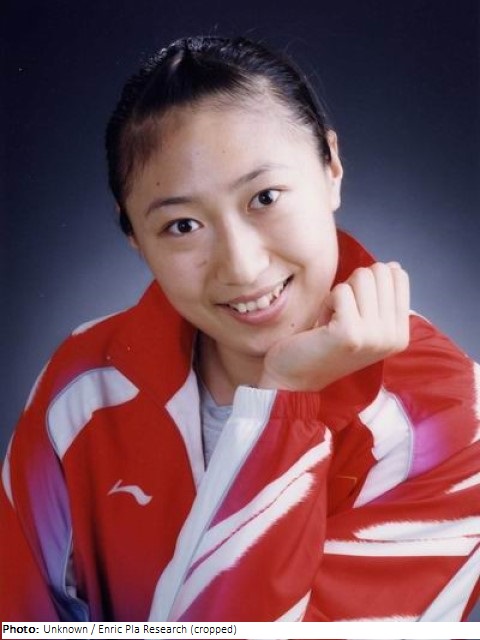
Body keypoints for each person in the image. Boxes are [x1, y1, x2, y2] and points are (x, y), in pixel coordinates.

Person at [1, 35, 479, 623]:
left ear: (331, 167)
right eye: (182, 225)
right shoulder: (84, 385)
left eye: (265, 197)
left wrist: (283, 404)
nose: (242, 267)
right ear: (135, 237)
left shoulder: (451, 419)